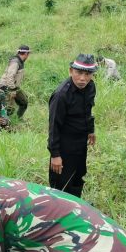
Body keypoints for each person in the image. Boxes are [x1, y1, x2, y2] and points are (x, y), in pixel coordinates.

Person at [48, 54, 97, 197]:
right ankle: (59, 213)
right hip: (64, 144)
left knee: (78, 175)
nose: (83, 78)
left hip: (81, 141)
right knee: (61, 182)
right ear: (71, 71)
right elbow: (53, 127)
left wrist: (90, 130)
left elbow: (88, 109)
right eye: (79, 73)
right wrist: (55, 155)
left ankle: (76, 207)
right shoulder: (61, 95)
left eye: (87, 74)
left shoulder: (90, 87)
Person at [0, 45, 30, 119]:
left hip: (14, 87)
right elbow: (9, 77)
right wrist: (12, 90)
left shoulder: (20, 61)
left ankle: (19, 119)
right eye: (28, 54)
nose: (28, 56)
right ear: (26, 54)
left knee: (24, 102)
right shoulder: (15, 62)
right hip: (7, 87)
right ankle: (4, 123)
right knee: (9, 108)